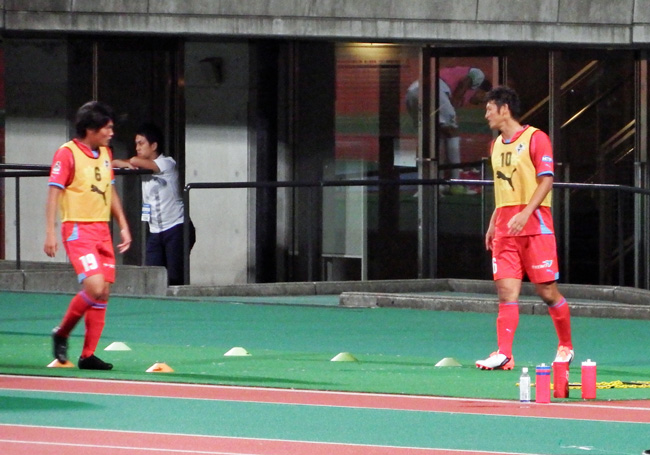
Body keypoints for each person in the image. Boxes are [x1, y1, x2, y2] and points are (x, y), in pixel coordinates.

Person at [475, 86, 573, 370]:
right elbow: (503, 188)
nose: (486, 115)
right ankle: (504, 353)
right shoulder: (495, 145)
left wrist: (526, 213)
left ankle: (566, 346)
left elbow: (547, 180)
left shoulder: (536, 138)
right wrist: (493, 222)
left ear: (504, 109)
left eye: (489, 109)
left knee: (547, 292)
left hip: (536, 227)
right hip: (506, 230)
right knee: (506, 293)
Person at [45, 101, 131, 370]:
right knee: (93, 287)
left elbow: (110, 190)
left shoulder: (105, 153)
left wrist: (123, 224)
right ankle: (62, 333)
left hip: (102, 230)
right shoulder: (67, 154)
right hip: (78, 230)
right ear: (91, 129)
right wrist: (50, 232)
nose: (111, 133)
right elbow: (54, 193)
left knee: (103, 293)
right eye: (107, 127)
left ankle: (88, 355)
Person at [112, 123, 195, 286]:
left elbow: (137, 162)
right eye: (136, 144)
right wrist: (122, 163)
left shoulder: (167, 162)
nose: (137, 148)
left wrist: (130, 162)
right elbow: (113, 163)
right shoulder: (140, 164)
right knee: (153, 276)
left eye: (141, 143)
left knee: (175, 278)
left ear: (154, 146)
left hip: (176, 228)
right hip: (155, 230)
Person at [405, 67, 491, 194]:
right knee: (452, 131)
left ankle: (435, 183)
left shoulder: (464, 97)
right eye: (484, 99)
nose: (481, 102)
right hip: (434, 89)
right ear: (482, 92)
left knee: (433, 136)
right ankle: (455, 182)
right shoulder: (478, 75)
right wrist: (455, 102)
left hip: (413, 91)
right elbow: (465, 82)